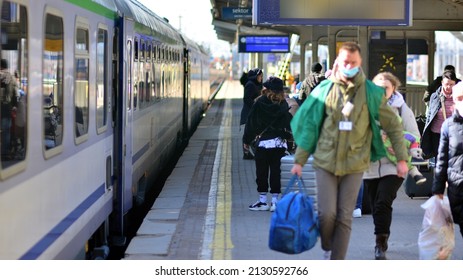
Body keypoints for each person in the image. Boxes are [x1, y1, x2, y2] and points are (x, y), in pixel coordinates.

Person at [290, 42, 408, 260]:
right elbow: (309, 126)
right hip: (325, 162)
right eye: (345, 62)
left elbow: (393, 125)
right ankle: (327, 244)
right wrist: (299, 160)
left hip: (355, 163)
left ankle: (336, 262)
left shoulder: (371, 92)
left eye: (353, 63)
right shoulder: (323, 90)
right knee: (327, 214)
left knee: (344, 216)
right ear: (337, 62)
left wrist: (402, 159)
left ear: (360, 63)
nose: (349, 66)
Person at [362, 72, 421, 260]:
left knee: (383, 201)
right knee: (374, 205)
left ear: (393, 89)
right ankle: (382, 233)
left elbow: (413, 135)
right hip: (370, 166)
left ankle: (380, 243)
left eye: (385, 87)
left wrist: (412, 154)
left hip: (395, 165)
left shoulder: (402, 109)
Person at [243, 76, 293, 212]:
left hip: (263, 144)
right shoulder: (283, 104)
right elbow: (289, 124)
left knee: (262, 172)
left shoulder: (259, 103)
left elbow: (250, 122)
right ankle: (275, 202)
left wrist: (246, 141)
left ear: (268, 89)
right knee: (276, 172)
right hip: (279, 144)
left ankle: (263, 201)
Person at [433, 81, 463, 241]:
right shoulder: (448, 126)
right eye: (459, 98)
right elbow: (442, 159)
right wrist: (437, 189)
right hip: (457, 188)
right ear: (454, 102)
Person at [422, 70, 458, 160]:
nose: (448, 87)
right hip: (437, 134)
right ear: (442, 83)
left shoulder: (459, 97)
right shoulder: (435, 96)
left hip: (455, 134)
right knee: (439, 161)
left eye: (451, 84)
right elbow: (429, 116)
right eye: (446, 84)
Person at [240, 68, 263, 159]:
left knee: (251, 133)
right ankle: (247, 153)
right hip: (249, 113)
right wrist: (255, 104)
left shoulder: (255, 84)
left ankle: (248, 153)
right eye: (260, 76)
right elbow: (246, 99)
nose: (261, 78)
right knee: (249, 133)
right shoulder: (250, 85)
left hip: (252, 113)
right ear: (255, 76)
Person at [0, 58, 18, 160]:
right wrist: (14, 106)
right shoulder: (11, 77)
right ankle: (4, 153)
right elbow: (16, 94)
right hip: (7, 108)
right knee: (6, 130)